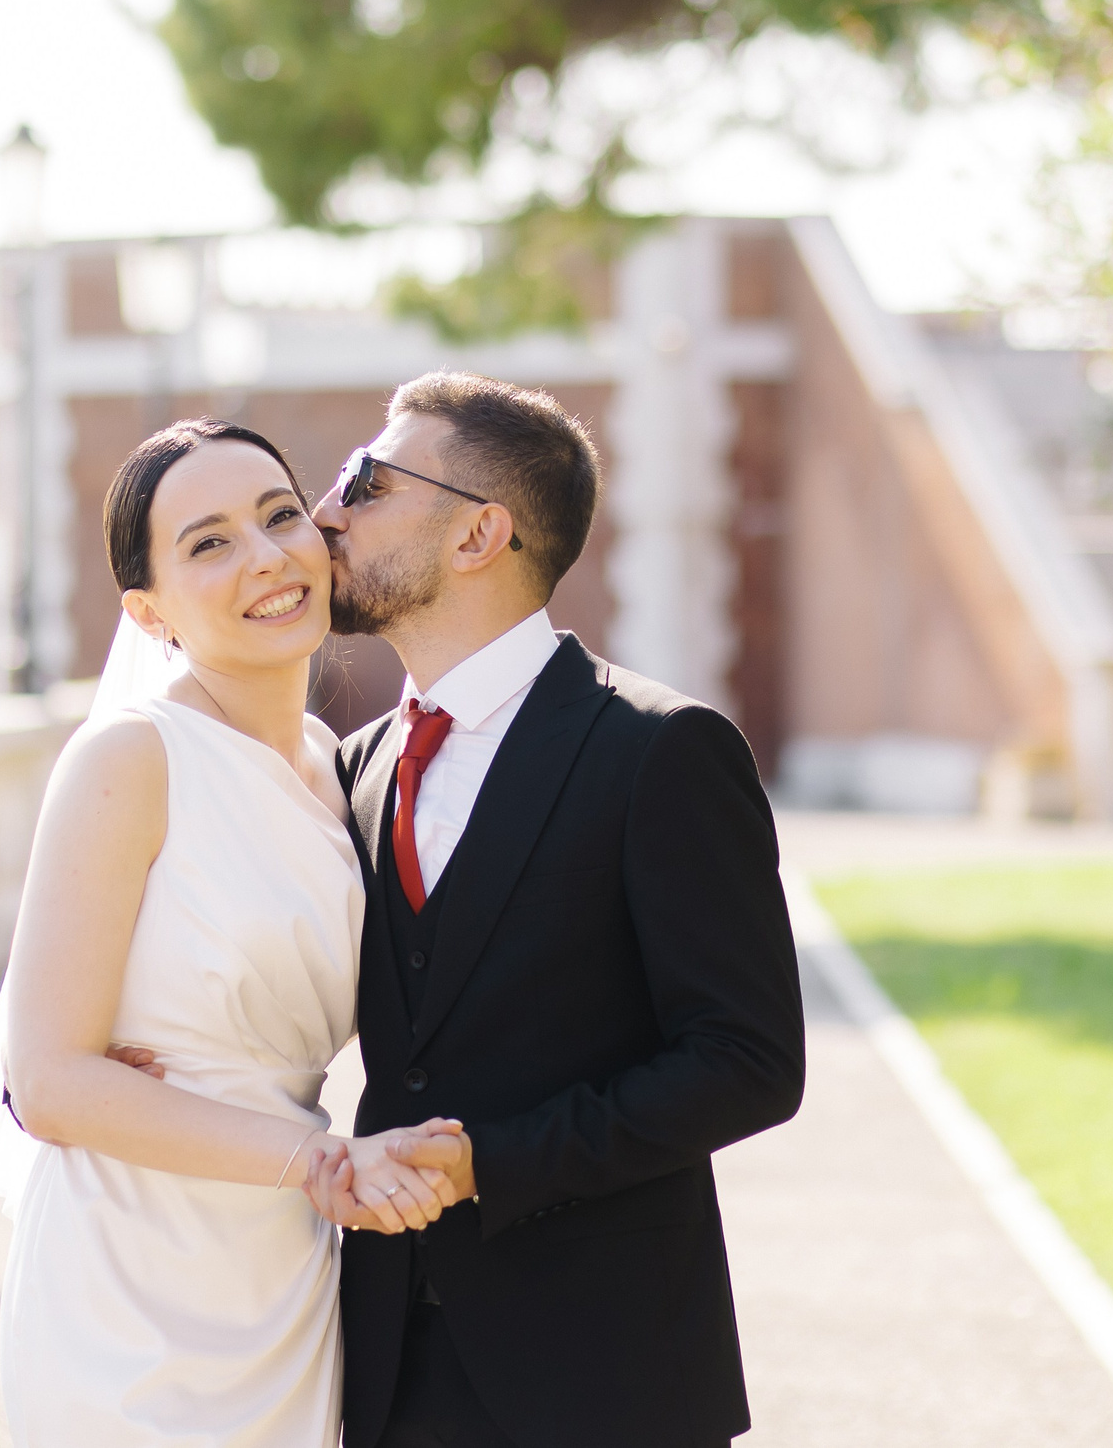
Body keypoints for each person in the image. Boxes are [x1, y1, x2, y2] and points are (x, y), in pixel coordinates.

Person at [302, 372, 808, 1448]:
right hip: (388, 1366)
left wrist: (494, 1159)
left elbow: (748, 1060)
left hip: (607, 1374)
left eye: (365, 480)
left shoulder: (661, 751)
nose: (326, 511)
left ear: (479, 534)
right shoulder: (350, 767)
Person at [0, 418, 460, 1448]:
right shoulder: (131, 759)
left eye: (280, 516)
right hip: (126, 1282)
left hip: (280, 1279)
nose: (265, 556)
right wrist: (317, 1161)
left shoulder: (337, 771)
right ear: (148, 611)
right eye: (208, 542)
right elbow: (52, 1081)